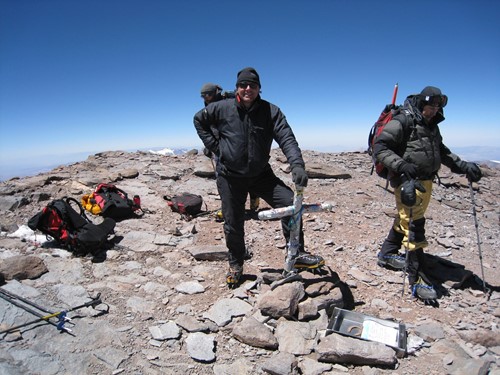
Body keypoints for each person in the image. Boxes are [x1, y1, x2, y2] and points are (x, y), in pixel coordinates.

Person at [194, 67, 323, 287]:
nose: (247, 89)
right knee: (233, 222)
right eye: (243, 85)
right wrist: (217, 148)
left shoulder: (270, 111)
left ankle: (297, 253)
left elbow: (287, 138)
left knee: (290, 203)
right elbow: (199, 120)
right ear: (236, 88)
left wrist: (297, 165)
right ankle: (236, 264)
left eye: (252, 85)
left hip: (260, 174)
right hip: (230, 176)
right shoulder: (221, 108)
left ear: (259, 88)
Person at [373, 86, 482, 300]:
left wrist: (462, 166)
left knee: (405, 218)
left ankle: (387, 254)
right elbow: (380, 147)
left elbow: (440, 150)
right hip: (406, 181)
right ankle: (418, 278)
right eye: (430, 107)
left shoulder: (431, 124)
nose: (433, 111)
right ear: (422, 103)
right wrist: (402, 167)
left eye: (436, 108)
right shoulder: (404, 120)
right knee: (414, 225)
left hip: (426, 180)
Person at [199, 82, 260, 212]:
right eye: (203, 96)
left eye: (208, 95)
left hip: (236, 145)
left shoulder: (230, 100)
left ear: (215, 92)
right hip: (219, 146)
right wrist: (209, 145)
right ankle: (227, 208)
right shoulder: (209, 105)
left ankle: (254, 197)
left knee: (246, 174)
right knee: (222, 179)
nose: (206, 98)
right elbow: (210, 126)